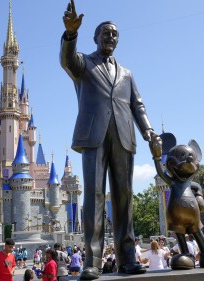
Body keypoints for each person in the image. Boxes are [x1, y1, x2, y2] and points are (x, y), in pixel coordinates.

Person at [60, 1, 155, 278]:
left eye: (115, 34)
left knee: (125, 197)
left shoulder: (127, 73)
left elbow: (138, 105)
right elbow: (67, 60)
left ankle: (127, 259)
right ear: (95, 38)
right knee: (94, 197)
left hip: (125, 136)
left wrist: (148, 130)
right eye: (106, 33)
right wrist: (69, 35)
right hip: (94, 136)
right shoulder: (84, 64)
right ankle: (92, 261)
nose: (111, 37)